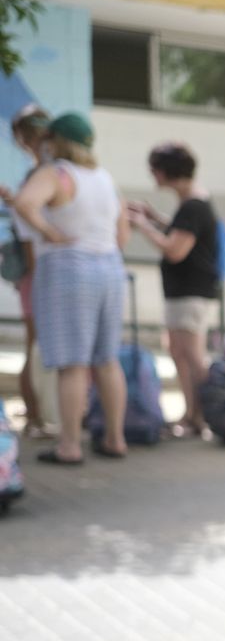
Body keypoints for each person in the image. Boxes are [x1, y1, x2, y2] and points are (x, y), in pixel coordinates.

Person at [12, 112, 129, 465]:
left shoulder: (56, 173)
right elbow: (121, 233)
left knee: (73, 365)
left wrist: (51, 233)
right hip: (109, 267)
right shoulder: (105, 178)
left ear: (55, 141)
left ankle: (70, 446)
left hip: (68, 267)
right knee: (107, 361)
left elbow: (24, 203)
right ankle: (115, 438)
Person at [128, 142, 219, 439]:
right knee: (180, 351)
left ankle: (204, 415)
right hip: (186, 291)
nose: (152, 176)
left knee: (191, 355)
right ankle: (192, 414)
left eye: (155, 170)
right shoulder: (194, 202)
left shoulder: (192, 205)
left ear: (166, 171)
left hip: (189, 291)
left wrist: (142, 225)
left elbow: (175, 250)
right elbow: (182, 232)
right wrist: (155, 218)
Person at [0, 105, 52, 438]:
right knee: (36, 346)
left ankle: (37, 416)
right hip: (38, 275)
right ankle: (34, 418)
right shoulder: (41, 175)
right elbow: (32, 236)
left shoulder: (38, 174)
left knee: (37, 346)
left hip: (37, 274)